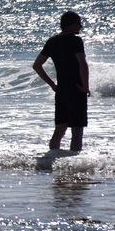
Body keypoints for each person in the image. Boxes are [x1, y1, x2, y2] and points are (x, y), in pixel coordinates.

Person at [32, 11, 90, 151]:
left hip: (61, 90)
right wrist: (85, 87)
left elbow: (37, 65)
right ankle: (74, 167)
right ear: (70, 25)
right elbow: (82, 63)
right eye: (78, 23)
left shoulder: (52, 41)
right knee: (77, 132)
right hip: (76, 90)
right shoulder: (75, 40)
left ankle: (51, 161)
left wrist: (52, 84)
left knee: (59, 130)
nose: (80, 27)